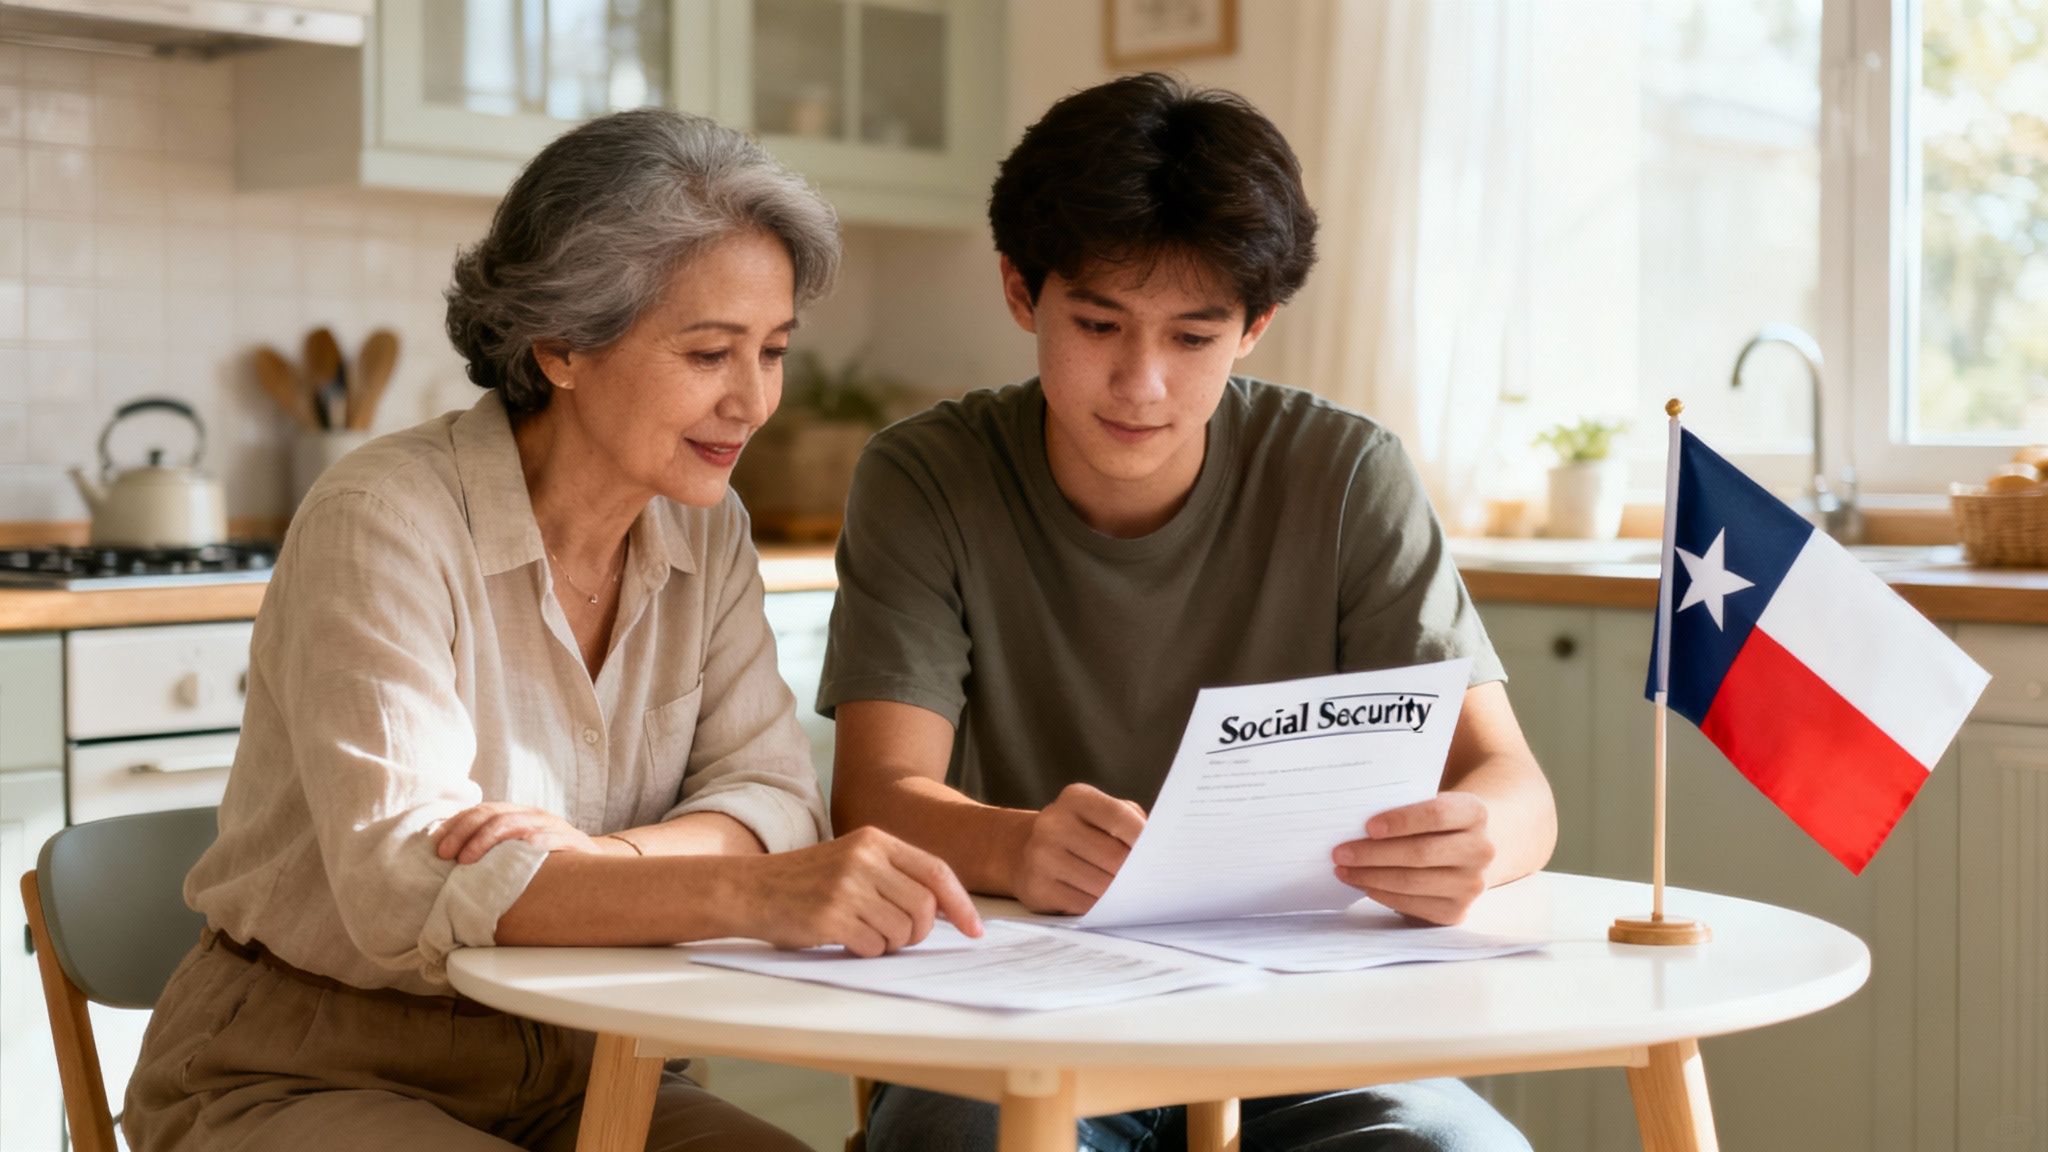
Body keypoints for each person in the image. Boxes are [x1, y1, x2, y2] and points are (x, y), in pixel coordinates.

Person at [123, 108, 977, 1152]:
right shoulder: (384, 519)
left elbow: (773, 798)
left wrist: (601, 857)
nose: (751, 400)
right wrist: (750, 889)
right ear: (562, 344)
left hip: (597, 1058)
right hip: (308, 1071)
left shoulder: (704, 532)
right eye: (708, 351)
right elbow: (407, 881)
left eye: (772, 350)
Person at [823, 74, 1553, 1151]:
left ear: (1255, 327)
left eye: (1193, 337)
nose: (1141, 383)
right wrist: (1020, 847)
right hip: (1014, 1029)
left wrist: (1473, 844)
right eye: (1097, 323)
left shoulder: (1346, 473)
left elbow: (1513, 786)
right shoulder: (925, 475)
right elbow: (874, 799)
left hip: (1310, 1032)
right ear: (1020, 292)